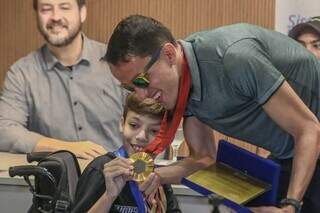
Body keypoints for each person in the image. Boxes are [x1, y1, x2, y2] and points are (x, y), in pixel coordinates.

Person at [103, 15, 320, 213]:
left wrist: (291, 205)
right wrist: (157, 176)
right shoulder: (180, 81)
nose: (142, 95)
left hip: (310, 140)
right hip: (293, 153)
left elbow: (308, 129)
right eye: (131, 87)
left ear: (169, 54)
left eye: (142, 80)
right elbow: (204, 159)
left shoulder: (234, 58)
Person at [0, 0, 127, 160]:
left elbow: (147, 120)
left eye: (64, 7)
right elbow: (5, 131)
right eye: (46, 9)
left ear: (82, 13)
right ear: (37, 16)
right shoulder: (22, 73)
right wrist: (66, 148)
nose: (55, 17)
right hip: (53, 181)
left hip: (117, 178)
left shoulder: (115, 62)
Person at [72, 93, 181, 213]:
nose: (141, 136)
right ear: (122, 124)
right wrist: (108, 196)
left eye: (154, 131)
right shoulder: (101, 169)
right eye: (134, 125)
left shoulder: (159, 177)